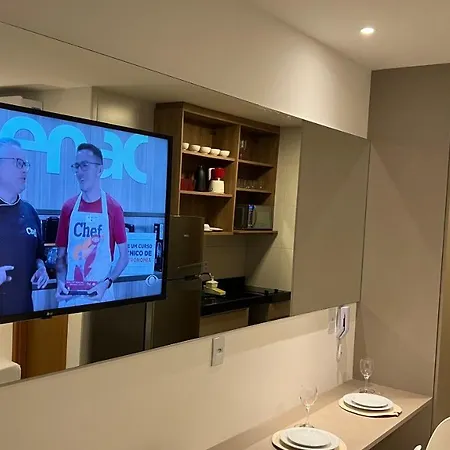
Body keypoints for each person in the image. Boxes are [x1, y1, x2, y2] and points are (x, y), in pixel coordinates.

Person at [55, 143, 129, 307]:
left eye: (85, 166)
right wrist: (60, 281)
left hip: (101, 297)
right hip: (70, 298)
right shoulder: (68, 208)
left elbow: (124, 257)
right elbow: (60, 257)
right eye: (77, 166)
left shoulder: (114, 208)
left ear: (99, 170)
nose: (79, 172)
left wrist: (107, 283)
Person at [0, 138, 49, 316]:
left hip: (24, 315)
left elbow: (38, 255)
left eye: (25, 165)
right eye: (18, 163)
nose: (24, 170)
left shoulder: (30, 212)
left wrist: (41, 269)